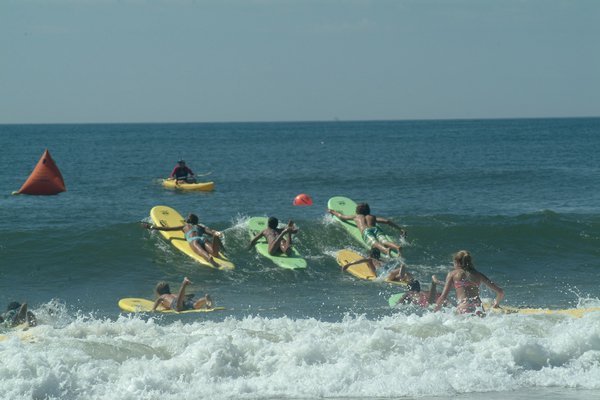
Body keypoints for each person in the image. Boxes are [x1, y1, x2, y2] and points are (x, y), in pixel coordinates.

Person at [434, 250, 504, 316]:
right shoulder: (478, 275)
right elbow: (500, 292)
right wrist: (496, 304)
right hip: (478, 308)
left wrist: (434, 313)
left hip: (464, 307)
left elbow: (443, 297)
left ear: (457, 262)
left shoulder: (453, 274)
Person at [144, 213, 225, 268]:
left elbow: (167, 229)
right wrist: (215, 235)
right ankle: (216, 237)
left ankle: (209, 259)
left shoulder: (184, 227)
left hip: (194, 240)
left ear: (187, 221)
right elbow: (210, 232)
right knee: (215, 253)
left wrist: (152, 227)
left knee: (201, 252)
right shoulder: (200, 227)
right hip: (203, 239)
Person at [328, 202, 406, 256]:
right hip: (375, 229)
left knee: (374, 243)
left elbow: (342, 217)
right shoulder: (372, 217)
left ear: (357, 211)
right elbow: (387, 221)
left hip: (366, 232)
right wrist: (400, 229)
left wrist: (333, 212)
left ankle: (385, 250)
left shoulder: (356, 216)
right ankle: (397, 247)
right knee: (384, 241)